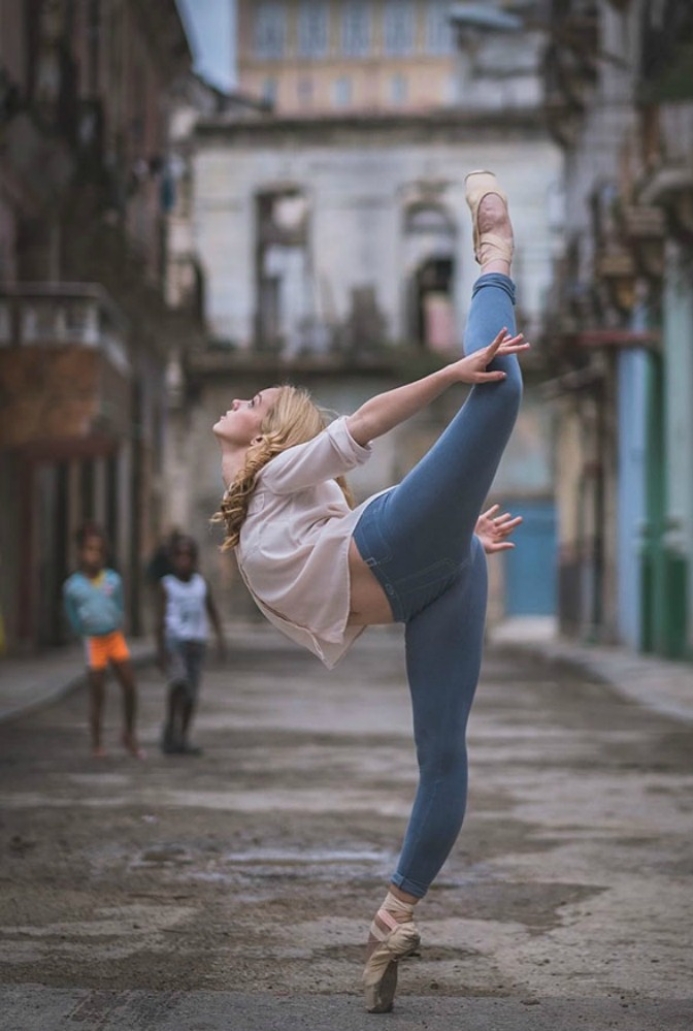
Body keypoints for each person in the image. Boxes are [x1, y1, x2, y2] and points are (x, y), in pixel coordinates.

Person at [212, 171, 525, 1013]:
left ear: (273, 435)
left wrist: (455, 370)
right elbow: (348, 468)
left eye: (257, 399)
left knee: (498, 390)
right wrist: (457, 540)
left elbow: (370, 419)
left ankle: (491, 246)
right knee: (443, 759)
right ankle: (393, 919)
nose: (242, 397)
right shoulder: (269, 492)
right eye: (252, 396)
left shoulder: (278, 468)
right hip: (425, 577)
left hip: (395, 551)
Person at [63, 522, 145, 759]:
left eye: (99, 550)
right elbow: (71, 614)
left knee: (129, 684)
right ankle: (97, 741)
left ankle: (129, 733)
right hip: (93, 641)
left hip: (113, 636)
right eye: (89, 549)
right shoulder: (73, 587)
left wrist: (117, 620)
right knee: (97, 691)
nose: (94, 556)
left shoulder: (113, 580)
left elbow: (118, 605)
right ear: (80, 553)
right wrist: (82, 630)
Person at [155, 534, 226, 755]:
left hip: (197, 643)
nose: (184, 561)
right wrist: (160, 651)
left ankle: (183, 736)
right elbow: (159, 619)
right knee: (179, 683)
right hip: (176, 642)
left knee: (191, 693)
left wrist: (220, 638)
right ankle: (170, 727)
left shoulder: (200, 585)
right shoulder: (167, 585)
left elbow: (211, 611)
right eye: (180, 556)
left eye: (188, 556)